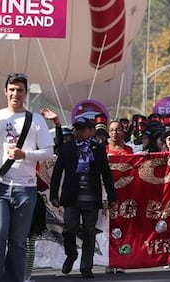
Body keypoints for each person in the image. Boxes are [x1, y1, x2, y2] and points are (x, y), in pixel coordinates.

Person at [0, 73, 56, 282]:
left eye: (20, 90)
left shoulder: (36, 120)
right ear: (5, 91)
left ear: (25, 93)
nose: (16, 93)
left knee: (17, 241)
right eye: (12, 89)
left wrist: (24, 154)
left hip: (25, 188)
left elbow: (48, 152)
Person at [51, 117, 117, 278]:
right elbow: (57, 173)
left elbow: (106, 174)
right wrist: (54, 194)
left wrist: (112, 197)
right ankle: (71, 254)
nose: (79, 132)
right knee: (68, 230)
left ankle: (86, 266)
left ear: (91, 131)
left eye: (82, 128)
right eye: (77, 129)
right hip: (71, 198)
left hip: (91, 198)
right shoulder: (67, 148)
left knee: (89, 232)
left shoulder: (98, 148)